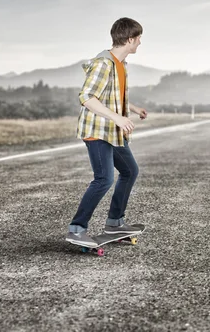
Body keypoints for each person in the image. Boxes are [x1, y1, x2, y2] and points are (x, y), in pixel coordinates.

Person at [66, 17, 148, 247]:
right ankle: (76, 229)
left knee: (130, 171)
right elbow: (87, 97)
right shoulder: (103, 63)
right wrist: (118, 118)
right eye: (139, 38)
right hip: (97, 130)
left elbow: (113, 96)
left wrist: (133, 108)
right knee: (103, 179)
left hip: (112, 130)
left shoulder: (121, 65)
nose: (140, 42)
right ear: (130, 39)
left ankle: (114, 223)